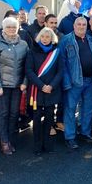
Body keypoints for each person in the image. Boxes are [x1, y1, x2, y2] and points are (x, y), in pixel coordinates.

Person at [0, 17, 28, 155]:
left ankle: (10, 139)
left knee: (14, 113)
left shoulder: (23, 44)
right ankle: (4, 141)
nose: (11, 29)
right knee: (3, 113)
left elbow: (28, 66)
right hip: (2, 86)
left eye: (14, 27)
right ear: (3, 28)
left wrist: (25, 82)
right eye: (9, 27)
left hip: (18, 86)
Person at [60, 17, 92, 149]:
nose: (81, 26)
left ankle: (85, 133)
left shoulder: (90, 39)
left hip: (89, 80)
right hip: (74, 82)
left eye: (84, 24)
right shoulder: (66, 40)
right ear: (74, 26)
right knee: (70, 109)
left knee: (88, 109)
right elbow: (62, 63)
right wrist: (67, 82)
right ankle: (70, 137)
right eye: (79, 24)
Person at [25, 27, 63, 155]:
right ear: (39, 38)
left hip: (51, 90)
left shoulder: (57, 52)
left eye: (48, 37)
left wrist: (51, 86)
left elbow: (61, 71)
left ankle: (48, 145)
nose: (45, 39)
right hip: (37, 90)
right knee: (36, 119)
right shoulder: (32, 52)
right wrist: (42, 86)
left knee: (49, 119)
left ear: (52, 38)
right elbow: (29, 71)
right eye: (43, 36)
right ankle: (37, 146)